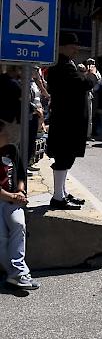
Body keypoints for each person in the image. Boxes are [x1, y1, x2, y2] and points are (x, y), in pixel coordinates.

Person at [46, 32, 94, 210]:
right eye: (72, 47)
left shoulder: (66, 64)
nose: (76, 50)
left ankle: (62, 193)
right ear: (62, 47)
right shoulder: (62, 65)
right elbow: (82, 85)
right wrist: (90, 75)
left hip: (67, 119)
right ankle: (58, 197)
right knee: (63, 156)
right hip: (66, 120)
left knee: (67, 157)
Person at [0, 119, 40, 290]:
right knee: (1, 237)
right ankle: (14, 274)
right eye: (3, 133)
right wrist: (12, 196)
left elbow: (21, 175)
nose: (8, 135)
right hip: (5, 198)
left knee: (18, 225)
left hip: (13, 199)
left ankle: (18, 272)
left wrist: (20, 192)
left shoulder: (12, 150)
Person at [85, 58, 102, 137]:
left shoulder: (96, 71)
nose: (91, 64)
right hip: (87, 93)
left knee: (93, 113)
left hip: (95, 93)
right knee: (87, 113)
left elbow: (100, 81)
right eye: (90, 62)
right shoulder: (85, 70)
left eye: (93, 63)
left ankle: (92, 130)